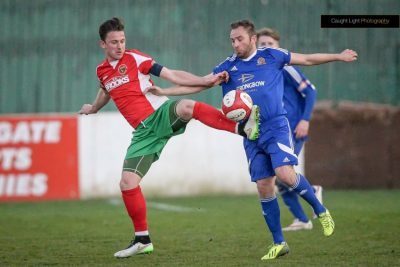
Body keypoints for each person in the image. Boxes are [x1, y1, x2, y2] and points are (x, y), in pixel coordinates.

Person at [146, 19, 357, 260]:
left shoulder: (273, 55)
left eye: (240, 39)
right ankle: (279, 243)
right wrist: (165, 92)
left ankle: (320, 211)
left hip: (276, 125)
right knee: (263, 186)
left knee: (285, 174)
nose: (235, 44)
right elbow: (200, 84)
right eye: (232, 40)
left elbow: (308, 59)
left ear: (252, 39)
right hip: (250, 131)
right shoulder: (228, 68)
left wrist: (338, 56)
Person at [78, 17, 260, 259]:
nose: (119, 46)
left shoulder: (135, 58)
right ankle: (142, 239)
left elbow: (171, 74)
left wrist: (203, 80)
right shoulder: (102, 71)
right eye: (114, 42)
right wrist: (93, 108)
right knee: (127, 183)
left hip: (159, 114)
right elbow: (105, 91)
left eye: (122, 40)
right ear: (103, 44)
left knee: (185, 106)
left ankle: (242, 128)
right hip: (143, 133)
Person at [257, 27, 323, 231]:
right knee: (277, 178)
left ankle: (312, 191)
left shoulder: (285, 66)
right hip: (274, 129)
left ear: (279, 47)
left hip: (292, 127)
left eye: (270, 44)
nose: (266, 47)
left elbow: (310, 91)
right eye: (262, 44)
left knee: (282, 173)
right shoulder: (259, 70)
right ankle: (302, 220)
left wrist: (305, 120)